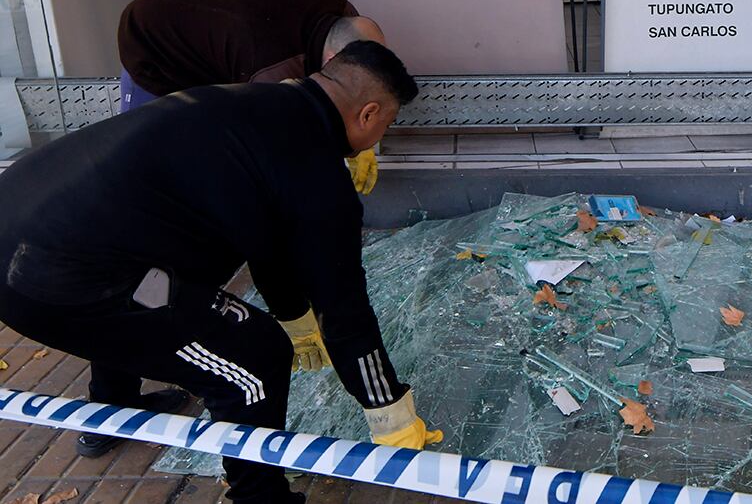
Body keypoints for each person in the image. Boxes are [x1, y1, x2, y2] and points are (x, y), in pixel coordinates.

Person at [0, 42, 436, 502]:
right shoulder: (317, 175)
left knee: (148, 275)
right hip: (47, 275)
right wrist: (388, 410)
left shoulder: (251, 104)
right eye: (387, 123)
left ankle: (115, 404)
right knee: (256, 356)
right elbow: (345, 307)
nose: (380, 135)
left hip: (28, 218)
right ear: (367, 114)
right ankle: (259, 497)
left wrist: (295, 315)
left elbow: (266, 236)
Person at [118, 0, 386, 193]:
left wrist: (360, 142)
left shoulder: (346, 16)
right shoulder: (269, 72)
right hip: (153, 43)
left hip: (218, 32)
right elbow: (270, 154)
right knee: (148, 166)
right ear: (330, 61)